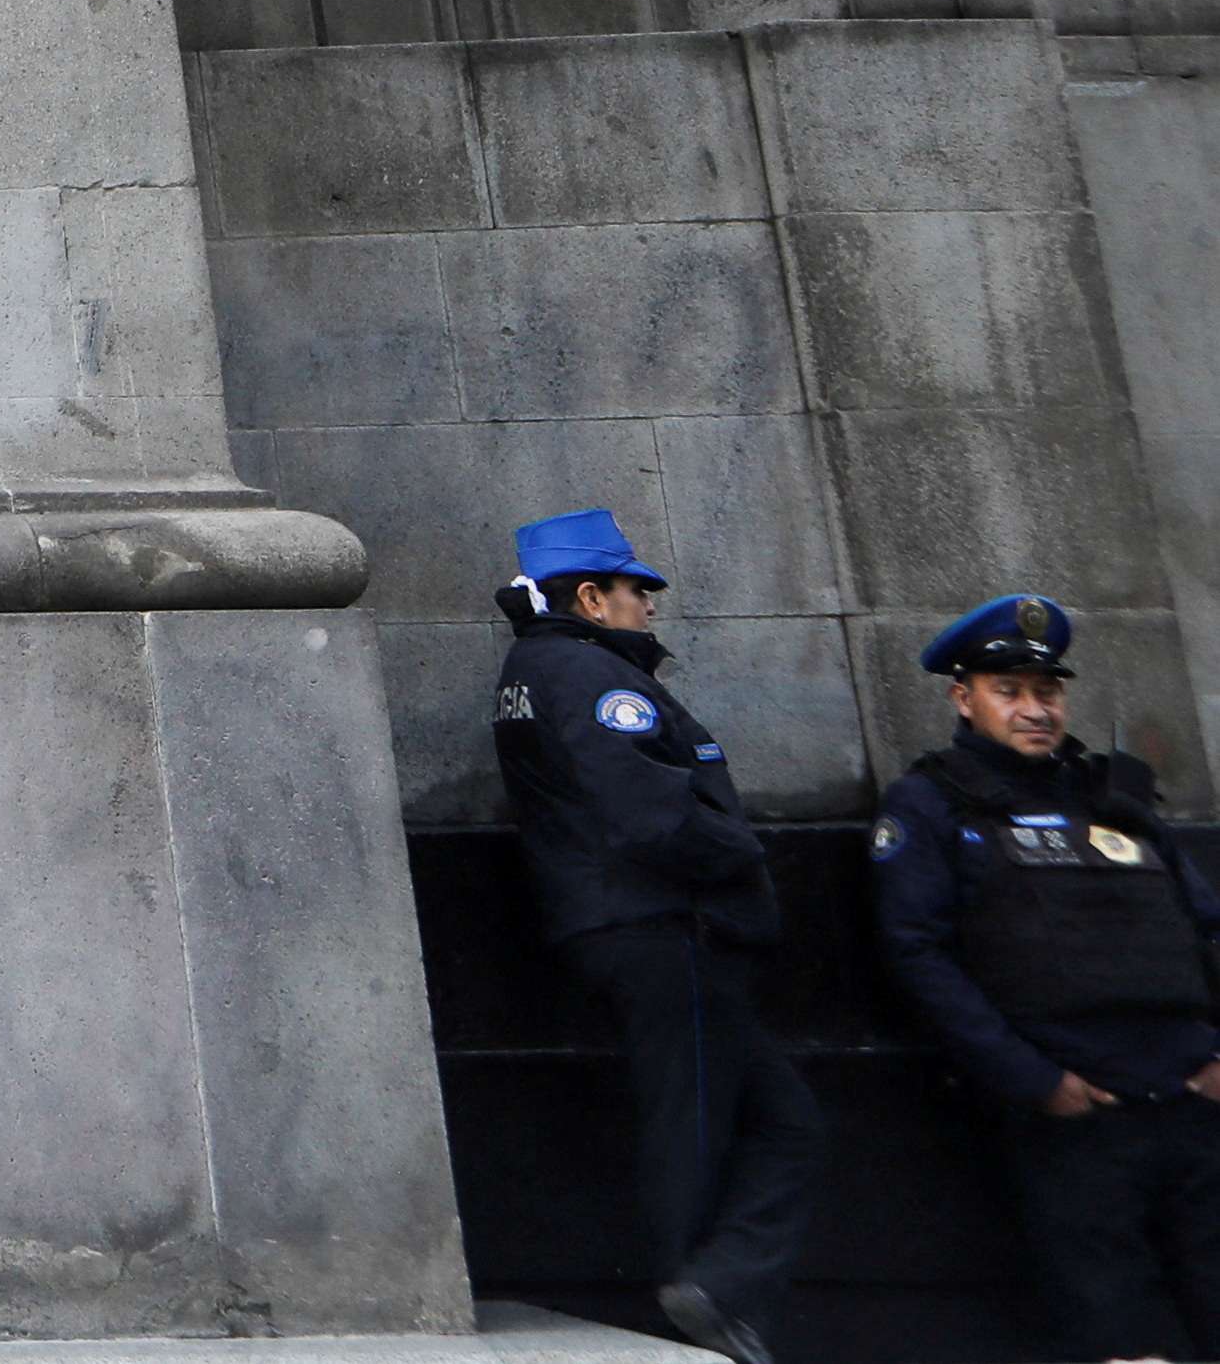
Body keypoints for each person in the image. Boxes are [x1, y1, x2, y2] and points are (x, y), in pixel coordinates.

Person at [495, 506, 818, 1364]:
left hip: (630, 924)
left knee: (779, 1120)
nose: (650, 607)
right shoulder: (590, 677)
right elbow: (650, 811)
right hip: (658, 925)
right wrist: (744, 850)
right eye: (639, 591)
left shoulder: (546, 667)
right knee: (698, 1122)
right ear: (593, 597)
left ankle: (716, 1286)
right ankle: (697, 1297)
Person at [870, 594, 1220, 1360]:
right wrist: (1033, 1080)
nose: (1035, 708)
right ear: (964, 698)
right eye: (1010, 690)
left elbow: (1206, 925)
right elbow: (918, 954)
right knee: (1119, 1334)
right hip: (1075, 1116)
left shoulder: (1116, 797)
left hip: (1192, 1103)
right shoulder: (932, 804)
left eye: (1048, 690)